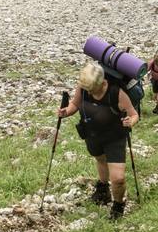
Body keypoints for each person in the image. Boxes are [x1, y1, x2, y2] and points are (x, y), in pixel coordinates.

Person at [58, 61, 139, 219]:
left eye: (92, 89)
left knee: (119, 179)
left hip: (115, 137)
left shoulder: (117, 93)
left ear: (103, 83)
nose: (89, 92)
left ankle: (118, 206)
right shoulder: (85, 86)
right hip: (92, 135)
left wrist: (131, 121)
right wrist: (65, 112)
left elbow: (134, 114)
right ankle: (103, 190)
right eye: (86, 89)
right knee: (101, 160)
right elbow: (75, 103)